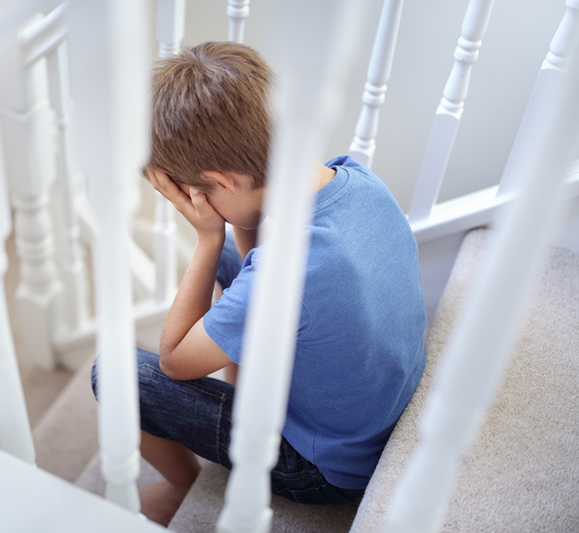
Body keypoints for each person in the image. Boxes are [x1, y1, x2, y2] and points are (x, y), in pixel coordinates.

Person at [91, 41, 426, 526]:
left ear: (222, 182)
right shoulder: (357, 179)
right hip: (371, 408)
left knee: (117, 375)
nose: (196, 206)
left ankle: (183, 489)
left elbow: (175, 362)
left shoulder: (292, 269)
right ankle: (241, 368)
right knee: (236, 262)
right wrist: (232, 222)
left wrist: (208, 238)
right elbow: (258, 263)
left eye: (198, 194)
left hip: (326, 467)